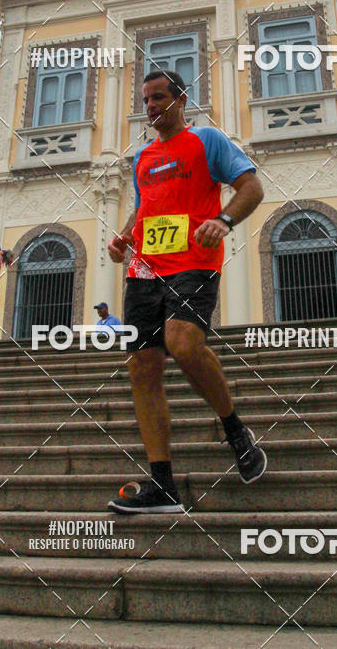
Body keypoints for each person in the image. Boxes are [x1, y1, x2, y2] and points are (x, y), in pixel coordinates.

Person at [106, 69, 266, 514]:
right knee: (142, 367)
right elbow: (143, 209)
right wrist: (123, 239)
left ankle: (235, 430)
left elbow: (251, 187)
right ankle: (163, 486)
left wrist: (224, 220)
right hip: (144, 270)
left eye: (159, 98)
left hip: (194, 262)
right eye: (146, 100)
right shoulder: (142, 158)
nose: (151, 106)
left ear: (181, 100)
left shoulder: (208, 140)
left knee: (183, 342)